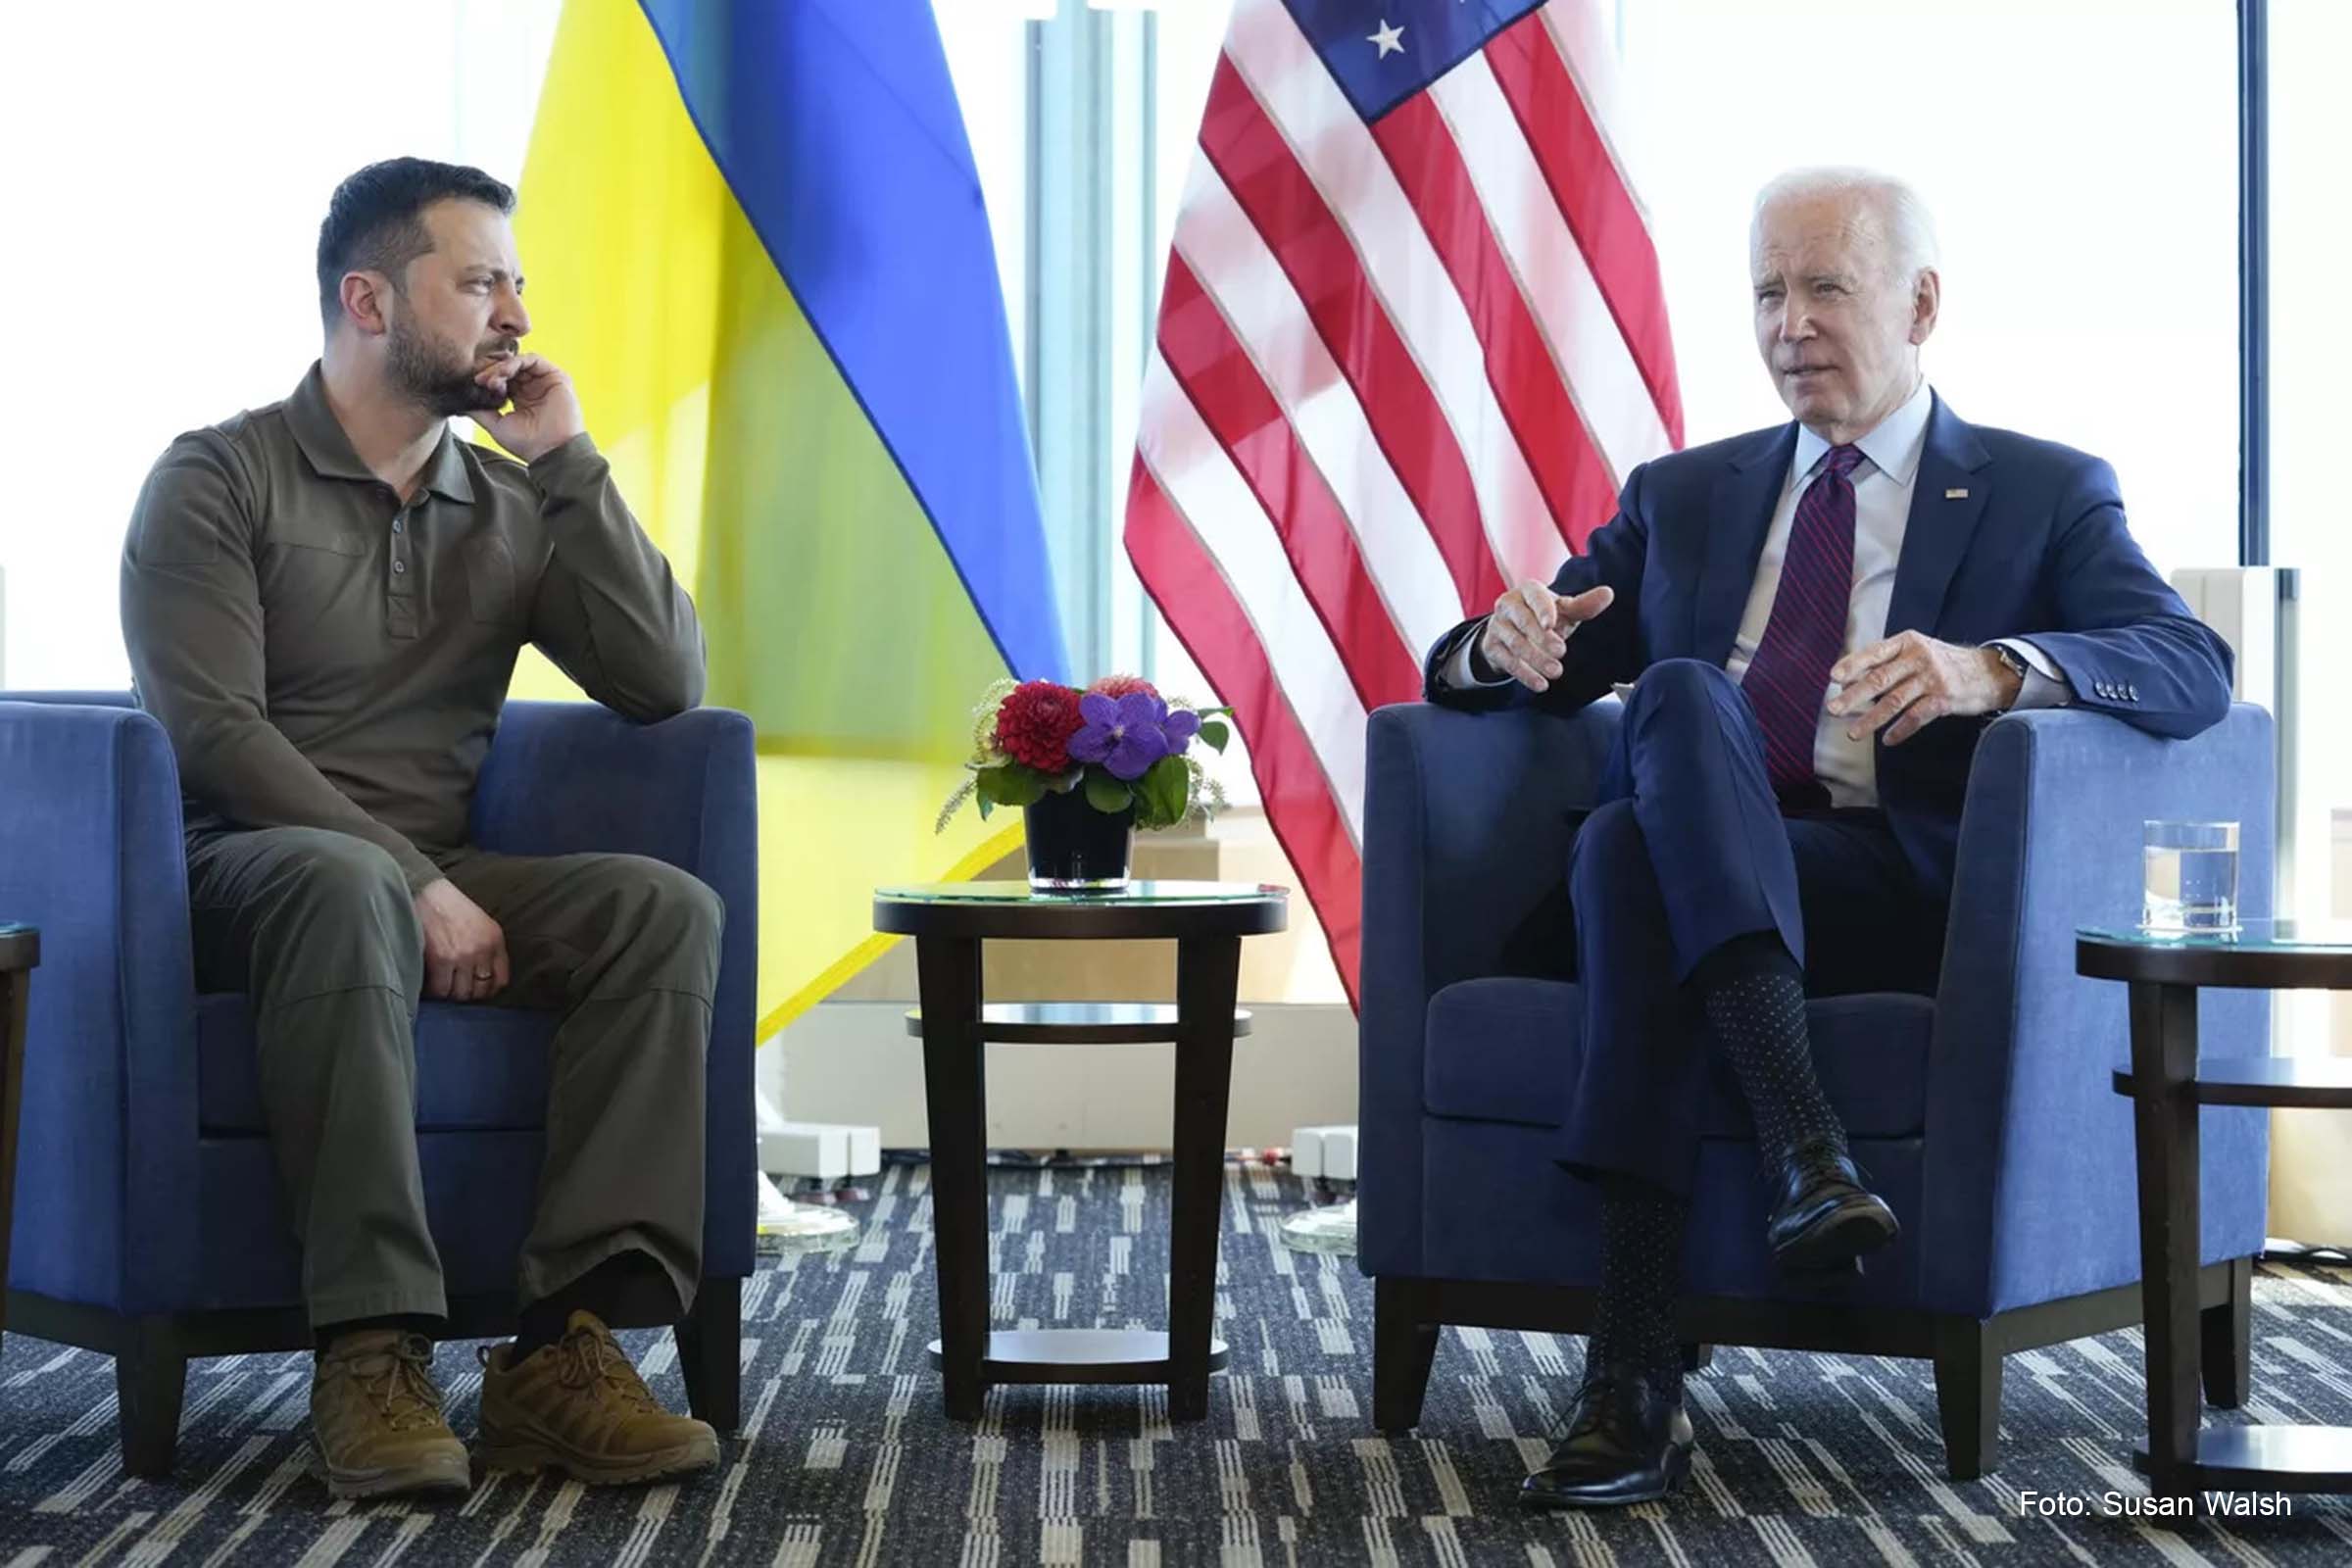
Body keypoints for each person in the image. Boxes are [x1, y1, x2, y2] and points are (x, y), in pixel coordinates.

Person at [1424, 167, 2233, 1509]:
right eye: (1766, 293)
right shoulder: (1683, 496)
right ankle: (1805, 1155)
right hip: (1712, 852)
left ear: (1920, 304)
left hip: (1881, 886)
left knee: (1632, 859)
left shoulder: (2039, 492)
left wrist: (1995, 669)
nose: (1788, 324)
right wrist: (1488, 646)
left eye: (1823, 288)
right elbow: (1550, 648)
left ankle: (1631, 1373)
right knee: (1668, 738)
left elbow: (2186, 661)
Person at [121, 158, 725, 1499]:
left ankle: (562, 1352)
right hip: (237, 869)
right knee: (341, 883)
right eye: (480, 281)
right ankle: (371, 1351)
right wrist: (407, 883)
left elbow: (661, 681)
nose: (515, 311)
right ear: (371, 300)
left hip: (426, 868)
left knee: (660, 909)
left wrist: (565, 466)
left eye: (517, 281)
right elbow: (217, 735)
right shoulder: (217, 481)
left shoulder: (507, 503)